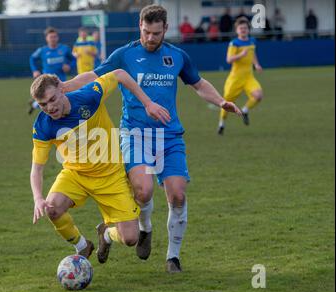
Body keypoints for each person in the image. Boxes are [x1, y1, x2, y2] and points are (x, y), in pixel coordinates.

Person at [62, 4, 241, 273]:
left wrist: (221, 101)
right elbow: (93, 75)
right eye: (146, 32)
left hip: (169, 137)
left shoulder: (177, 56)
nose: (150, 38)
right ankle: (145, 229)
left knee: (178, 195)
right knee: (143, 191)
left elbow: (199, 84)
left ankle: (173, 257)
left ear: (165, 29)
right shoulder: (125, 55)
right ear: (140, 27)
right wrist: (63, 87)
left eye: (156, 33)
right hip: (135, 134)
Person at [30, 69, 170, 263]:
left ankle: (106, 234)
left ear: (62, 90)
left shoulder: (89, 96)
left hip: (111, 176)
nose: (50, 108)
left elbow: (119, 74)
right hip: (75, 175)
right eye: (43, 104)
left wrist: (148, 103)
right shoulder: (43, 126)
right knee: (51, 208)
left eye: (52, 99)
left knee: (130, 238)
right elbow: (37, 168)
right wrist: (38, 198)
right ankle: (82, 246)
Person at [218, 17, 263, 135]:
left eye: (245, 28)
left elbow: (252, 54)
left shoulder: (252, 41)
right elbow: (229, 59)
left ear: (248, 29)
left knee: (258, 96)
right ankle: (222, 123)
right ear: (236, 30)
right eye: (240, 28)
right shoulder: (234, 43)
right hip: (235, 78)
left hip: (248, 77)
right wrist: (241, 55)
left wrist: (257, 64)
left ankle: (245, 110)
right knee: (226, 103)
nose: (243, 30)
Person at [28, 27, 75, 114]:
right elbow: (32, 58)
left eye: (55, 36)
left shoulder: (64, 48)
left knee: (63, 99)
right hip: (47, 82)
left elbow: (73, 59)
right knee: (49, 100)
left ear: (57, 37)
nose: (53, 39)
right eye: (51, 37)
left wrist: (69, 66)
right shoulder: (42, 50)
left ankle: (34, 105)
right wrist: (35, 70)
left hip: (61, 80)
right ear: (46, 38)